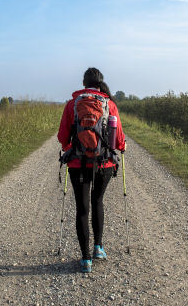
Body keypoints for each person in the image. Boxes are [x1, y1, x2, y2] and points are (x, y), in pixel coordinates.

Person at [57, 67, 126, 273]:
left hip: (78, 164)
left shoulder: (72, 104)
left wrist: (71, 149)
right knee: (98, 201)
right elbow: (119, 138)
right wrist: (122, 148)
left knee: (82, 208)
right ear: (100, 83)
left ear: (84, 83)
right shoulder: (109, 104)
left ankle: (85, 260)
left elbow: (62, 138)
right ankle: (98, 248)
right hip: (104, 163)